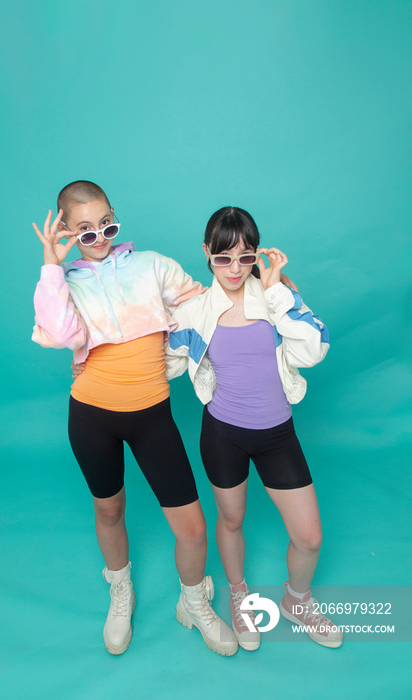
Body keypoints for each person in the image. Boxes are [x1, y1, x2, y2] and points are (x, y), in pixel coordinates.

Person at [31, 181, 238, 656]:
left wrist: (264, 291)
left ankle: (193, 602)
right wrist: (51, 265)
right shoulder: (67, 281)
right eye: (83, 228)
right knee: (109, 509)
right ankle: (120, 590)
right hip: (91, 414)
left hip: (151, 414)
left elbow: (204, 302)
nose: (99, 234)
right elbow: (61, 331)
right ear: (65, 230)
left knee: (192, 526)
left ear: (114, 216)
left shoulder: (152, 265)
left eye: (105, 222)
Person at [165, 206, 343, 651]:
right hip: (223, 433)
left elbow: (314, 349)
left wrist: (278, 290)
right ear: (206, 253)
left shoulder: (275, 297)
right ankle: (239, 596)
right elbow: (161, 364)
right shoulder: (195, 311)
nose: (233, 268)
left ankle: (296, 600)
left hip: (277, 434)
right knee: (232, 519)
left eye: (245, 257)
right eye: (223, 257)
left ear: (257, 257)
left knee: (310, 537)